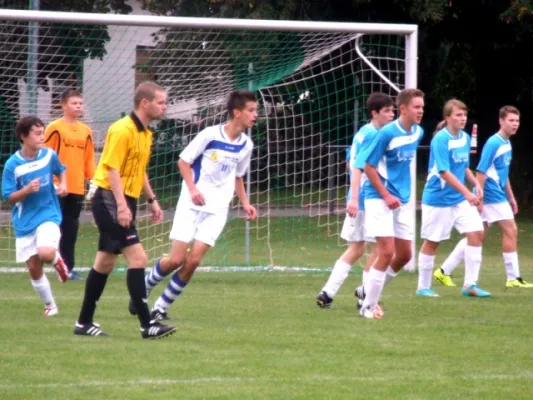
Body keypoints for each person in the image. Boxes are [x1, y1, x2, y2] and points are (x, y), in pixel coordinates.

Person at [129, 89, 257, 321]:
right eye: (251, 110)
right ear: (237, 113)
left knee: (194, 261)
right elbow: (183, 161)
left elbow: (238, 176)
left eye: (255, 111)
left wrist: (246, 204)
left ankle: (160, 306)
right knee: (176, 259)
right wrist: (193, 189)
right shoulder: (210, 135)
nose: (255, 115)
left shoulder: (246, 145)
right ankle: (145, 287)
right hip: (191, 203)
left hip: (217, 209)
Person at [73, 81, 175, 339]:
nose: (164, 107)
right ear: (145, 103)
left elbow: (138, 170)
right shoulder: (121, 129)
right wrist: (121, 206)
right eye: (161, 102)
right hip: (108, 198)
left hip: (123, 199)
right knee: (138, 259)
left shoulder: (146, 133)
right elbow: (112, 169)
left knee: (105, 262)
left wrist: (151, 200)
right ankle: (146, 324)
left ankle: (83, 322)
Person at [435, 105, 533, 288]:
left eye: (517, 121)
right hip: (490, 195)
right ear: (501, 121)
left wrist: (511, 197)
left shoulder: (506, 143)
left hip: (498, 194)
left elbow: (503, 175)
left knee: (476, 236)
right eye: (511, 120)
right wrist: (479, 197)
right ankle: (513, 278)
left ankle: (443, 270)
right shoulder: (494, 142)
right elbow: (481, 170)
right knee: (511, 230)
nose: (515, 124)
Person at [315, 92, 394, 308]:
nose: (392, 114)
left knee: (356, 248)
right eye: (387, 111)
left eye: (392, 110)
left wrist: (352, 196)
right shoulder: (373, 135)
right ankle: (366, 297)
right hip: (367, 199)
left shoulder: (362, 132)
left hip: (357, 197)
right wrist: (356, 197)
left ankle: (327, 293)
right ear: (374, 113)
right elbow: (357, 166)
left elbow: (350, 163)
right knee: (378, 249)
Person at [355, 88, 425, 319]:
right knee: (386, 251)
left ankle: (368, 291)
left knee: (404, 256)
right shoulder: (385, 134)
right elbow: (368, 167)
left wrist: (403, 194)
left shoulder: (418, 133)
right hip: (379, 197)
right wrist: (386, 195)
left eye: (422, 107)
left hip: (401, 201)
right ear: (403, 108)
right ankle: (368, 306)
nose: (421, 111)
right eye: (416, 107)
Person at [416, 99, 490, 298]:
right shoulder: (440, 139)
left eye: (464, 115)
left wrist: (476, 184)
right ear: (447, 117)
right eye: (458, 115)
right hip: (438, 199)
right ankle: (423, 287)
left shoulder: (465, 138)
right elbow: (444, 172)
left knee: (476, 233)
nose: (462, 118)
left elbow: (463, 167)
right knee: (432, 242)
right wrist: (467, 193)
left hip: (458, 199)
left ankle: (470, 285)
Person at [1, 116, 69, 316]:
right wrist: (27, 190)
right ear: (24, 136)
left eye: (43, 133)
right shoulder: (12, 165)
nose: (42, 137)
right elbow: (8, 198)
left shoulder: (49, 156)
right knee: (33, 268)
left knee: (46, 253)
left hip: (49, 214)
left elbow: (61, 170)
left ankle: (58, 261)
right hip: (24, 222)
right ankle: (51, 305)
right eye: (37, 134)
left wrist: (63, 184)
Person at [44, 89, 95, 280]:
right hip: (57, 186)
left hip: (77, 187)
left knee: (71, 228)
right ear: (63, 105)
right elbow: (47, 155)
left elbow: (89, 158)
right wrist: (53, 181)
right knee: (51, 226)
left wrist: (92, 179)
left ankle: (68, 268)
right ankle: (41, 259)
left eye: (80, 103)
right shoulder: (54, 127)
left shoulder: (86, 131)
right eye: (74, 103)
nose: (78, 106)